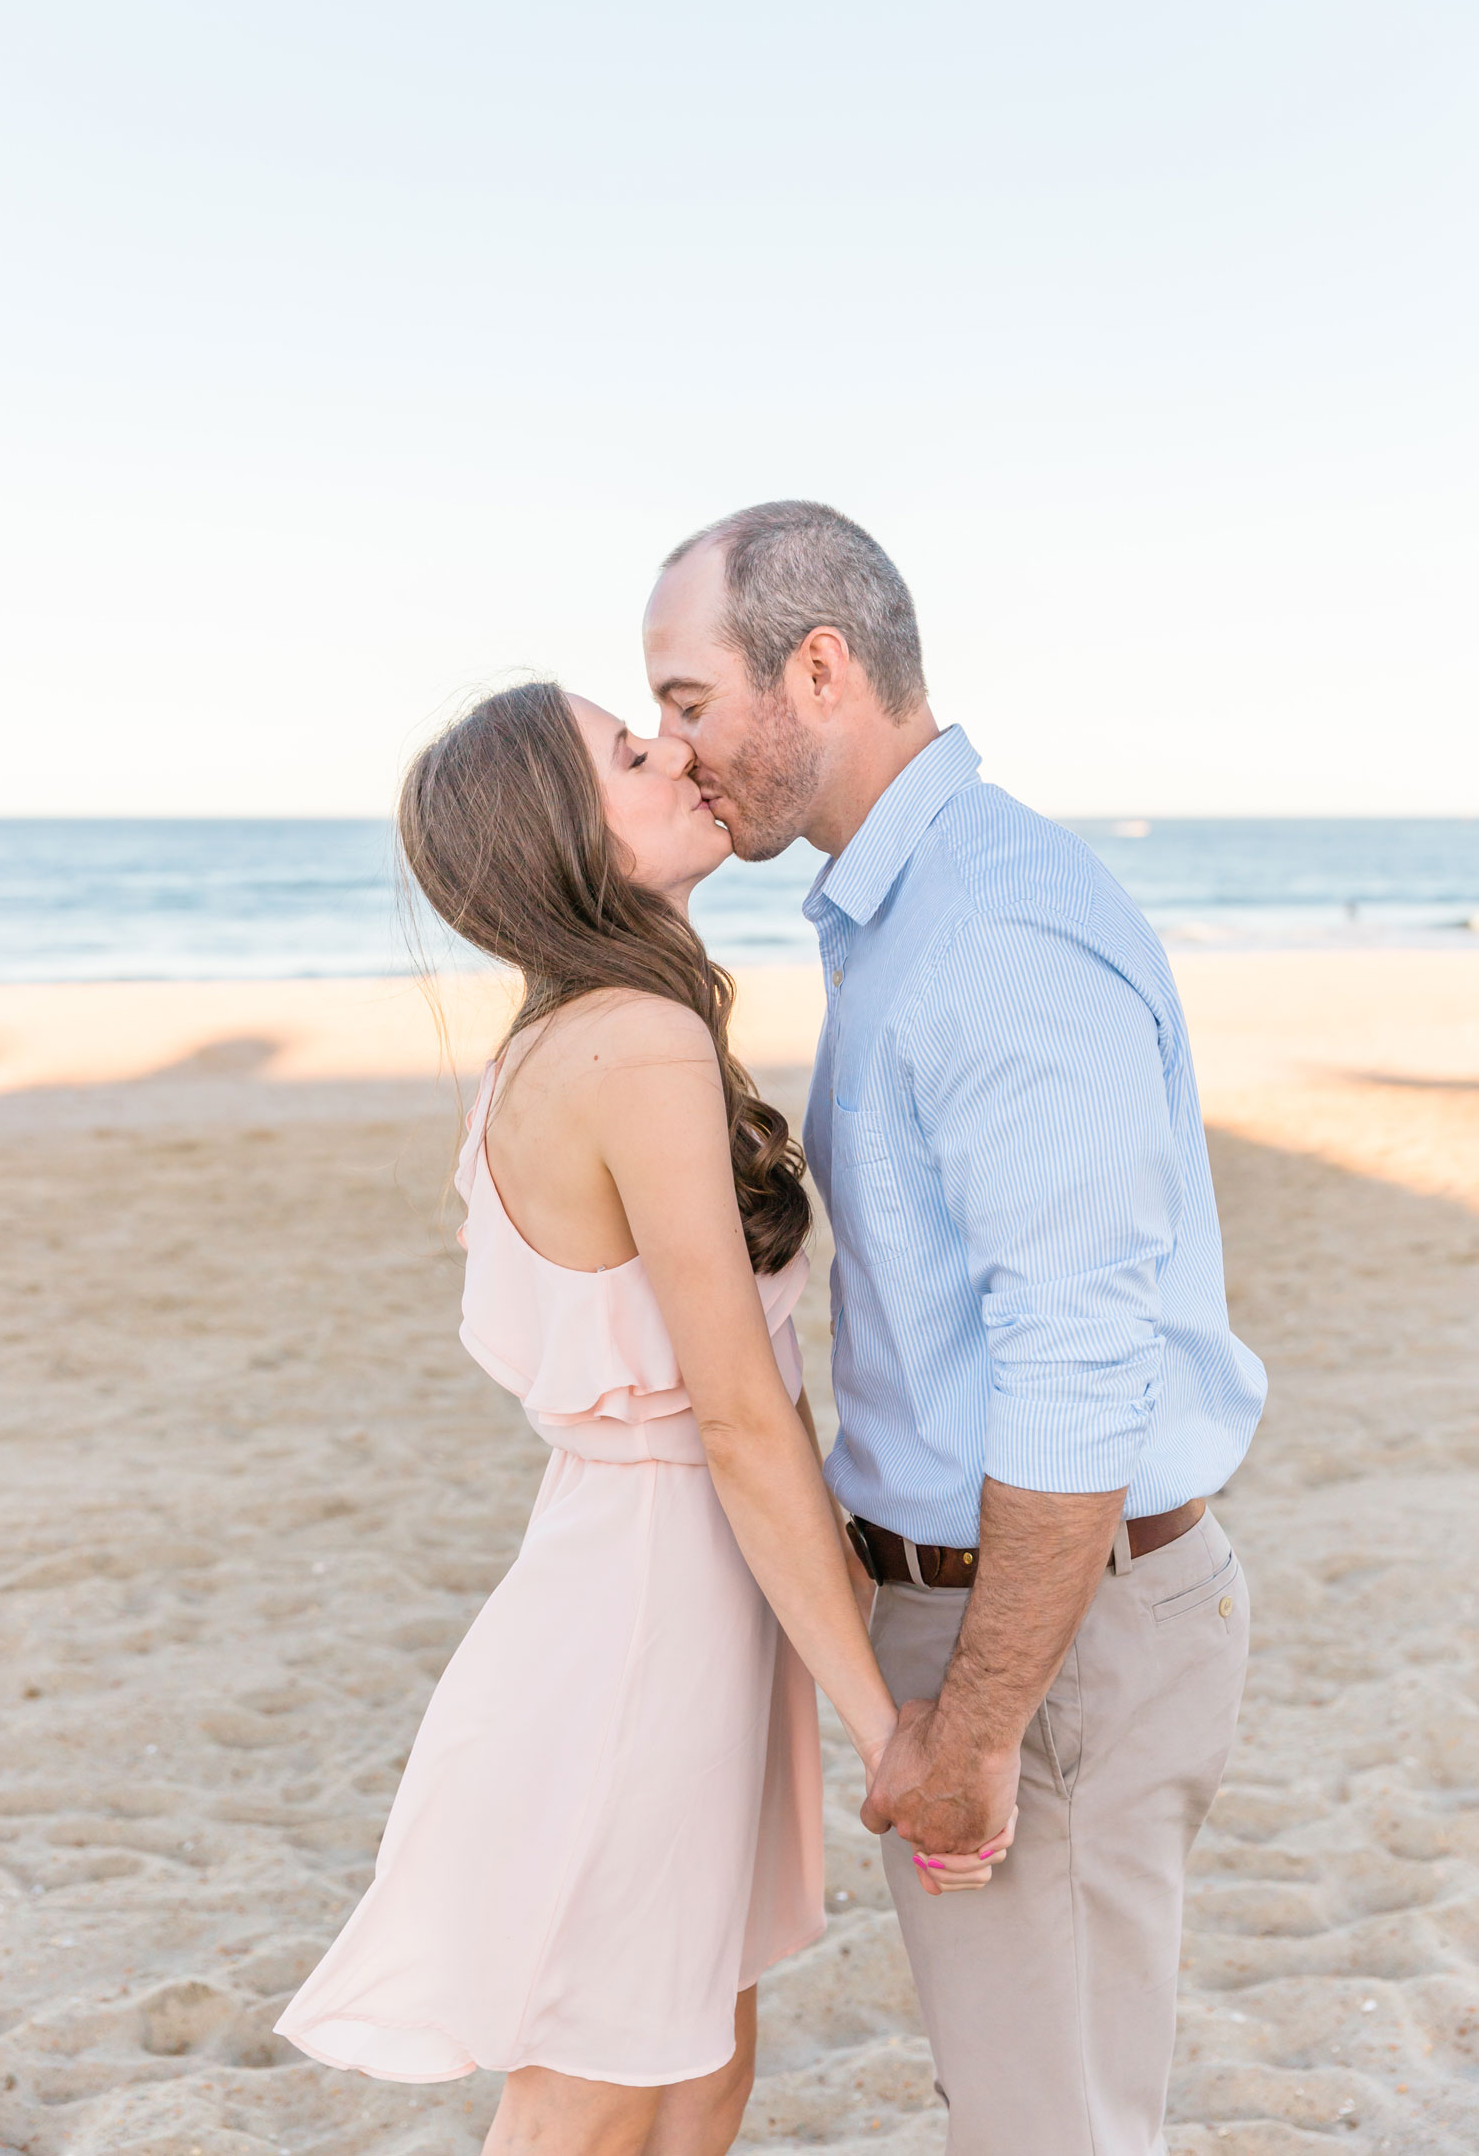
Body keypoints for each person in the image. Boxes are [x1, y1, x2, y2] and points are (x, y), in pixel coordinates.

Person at [274, 680, 1011, 2156]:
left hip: (666, 1585)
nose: (673, 750)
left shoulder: (580, 1034)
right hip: (643, 1618)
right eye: (627, 751)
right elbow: (740, 1417)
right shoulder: (631, 1044)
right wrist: (890, 1733)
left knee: (696, 2067)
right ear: (565, 833)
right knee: (599, 2084)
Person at [644, 501, 1268, 2156]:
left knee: (1047, 2128)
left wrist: (976, 1722)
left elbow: (1075, 1358)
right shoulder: (906, 911)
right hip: (1032, 1610)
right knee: (1043, 2107)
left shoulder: (983, 930)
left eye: (690, 700)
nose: (672, 747)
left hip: (1052, 1632)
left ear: (821, 668)